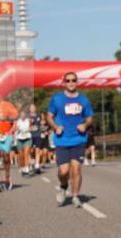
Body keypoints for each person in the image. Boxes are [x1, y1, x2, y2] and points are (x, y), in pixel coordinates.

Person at [46, 72, 94, 207]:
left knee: (76, 168)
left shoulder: (83, 100)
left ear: (77, 82)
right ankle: (63, 185)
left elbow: (90, 117)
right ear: (64, 82)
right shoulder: (57, 99)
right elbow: (49, 116)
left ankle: (75, 196)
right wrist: (56, 127)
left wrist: (85, 124)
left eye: (73, 80)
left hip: (78, 138)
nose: (71, 83)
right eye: (68, 81)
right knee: (64, 171)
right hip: (62, 139)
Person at [15, 108, 34, 176]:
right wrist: (16, 128)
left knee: (26, 153)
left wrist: (30, 128)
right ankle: (21, 167)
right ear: (19, 115)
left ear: (26, 115)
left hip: (27, 138)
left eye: (24, 114)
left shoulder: (29, 120)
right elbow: (13, 129)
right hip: (19, 139)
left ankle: (27, 168)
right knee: (21, 155)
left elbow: (33, 127)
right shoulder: (17, 121)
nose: (22, 115)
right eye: (21, 114)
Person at [27, 104, 44, 174]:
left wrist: (42, 125)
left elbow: (42, 123)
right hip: (29, 135)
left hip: (37, 134)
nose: (33, 109)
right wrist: (29, 123)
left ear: (35, 109)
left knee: (37, 149)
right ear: (29, 109)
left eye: (34, 107)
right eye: (31, 108)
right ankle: (31, 160)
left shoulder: (39, 115)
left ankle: (37, 165)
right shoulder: (27, 116)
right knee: (29, 150)